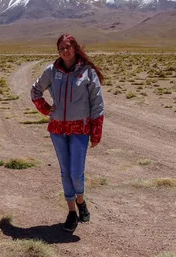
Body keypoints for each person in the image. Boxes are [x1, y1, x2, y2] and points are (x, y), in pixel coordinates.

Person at [30, 34, 105, 232]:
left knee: (76, 173)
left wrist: (96, 132)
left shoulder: (87, 71)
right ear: (58, 50)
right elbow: (35, 91)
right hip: (57, 129)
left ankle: (81, 200)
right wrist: (46, 109)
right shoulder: (52, 71)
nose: (65, 51)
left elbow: (97, 103)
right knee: (65, 171)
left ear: (75, 48)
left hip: (80, 129)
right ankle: (72, 212)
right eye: (61, 48)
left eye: (68, 47)